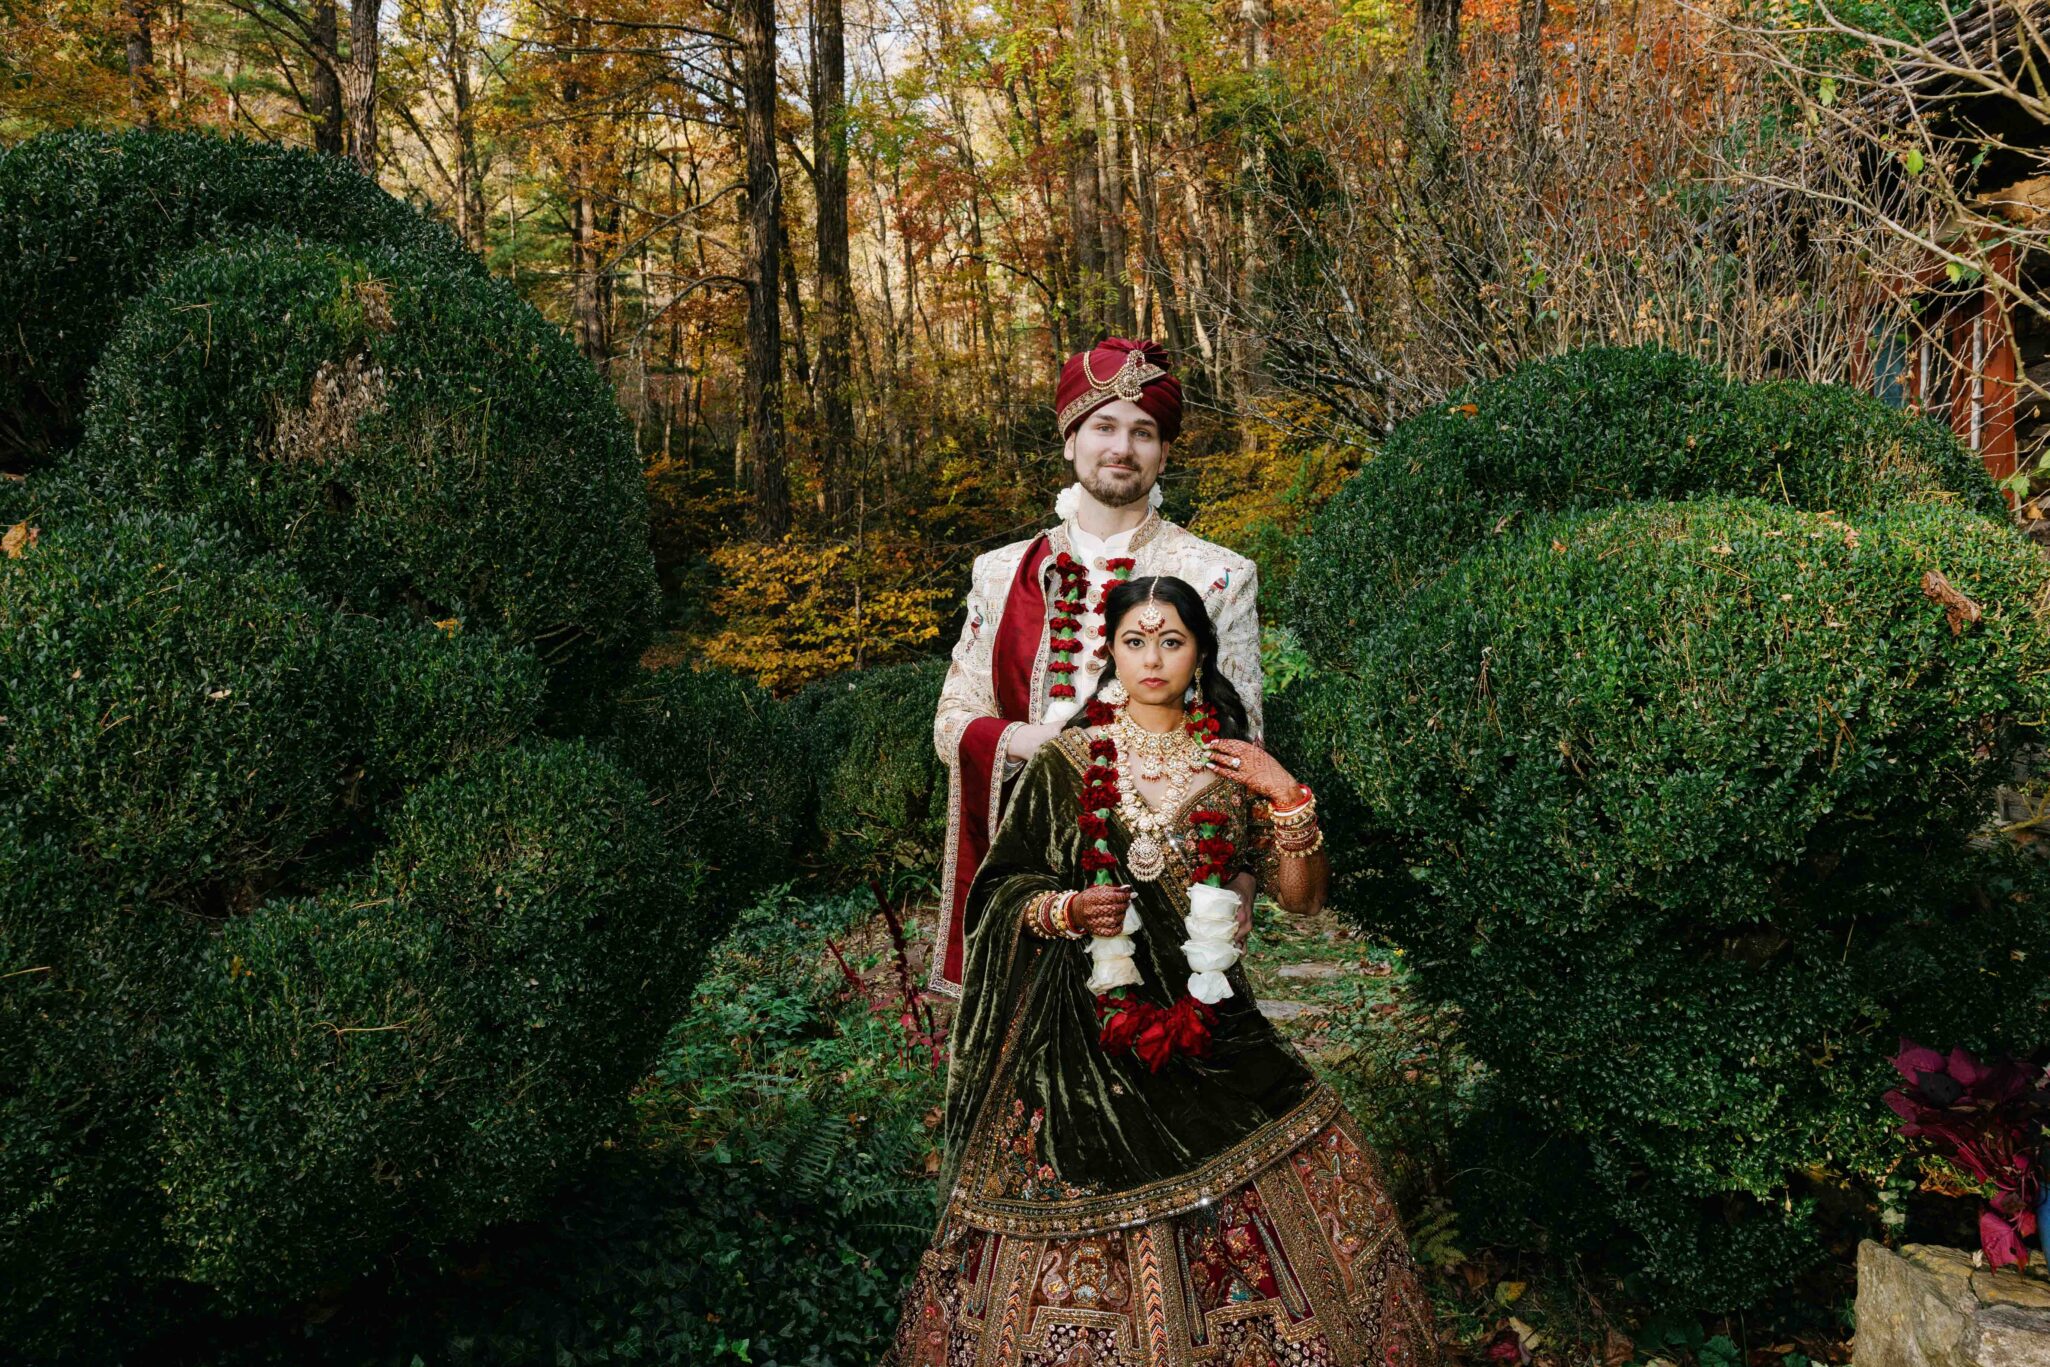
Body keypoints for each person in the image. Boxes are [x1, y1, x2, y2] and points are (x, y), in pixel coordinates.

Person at [885, 575, 1437, 1367]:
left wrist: (1287, 797)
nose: (1153, 657)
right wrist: (1067, 911)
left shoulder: (1230, 765)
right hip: (1082, 1045)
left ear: (1200, 652)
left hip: (1217, 1032)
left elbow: (1304, 902)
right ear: (1109, 652)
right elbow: (1000, 890)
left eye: (1171, 639)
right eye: (1135, 640)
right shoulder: (1070, 761)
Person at [930, 338, 1263, 1001]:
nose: (1122, 447)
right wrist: (1043, 748)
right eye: (1103, 426)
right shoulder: (1000, 573)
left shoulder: (1220, 574)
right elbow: (950, 724)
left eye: (1144, 432)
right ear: (1069, 440)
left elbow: (1243, 746)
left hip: (1166, 869)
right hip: (1034, 871)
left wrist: (1241, 880)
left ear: (1164, 452)